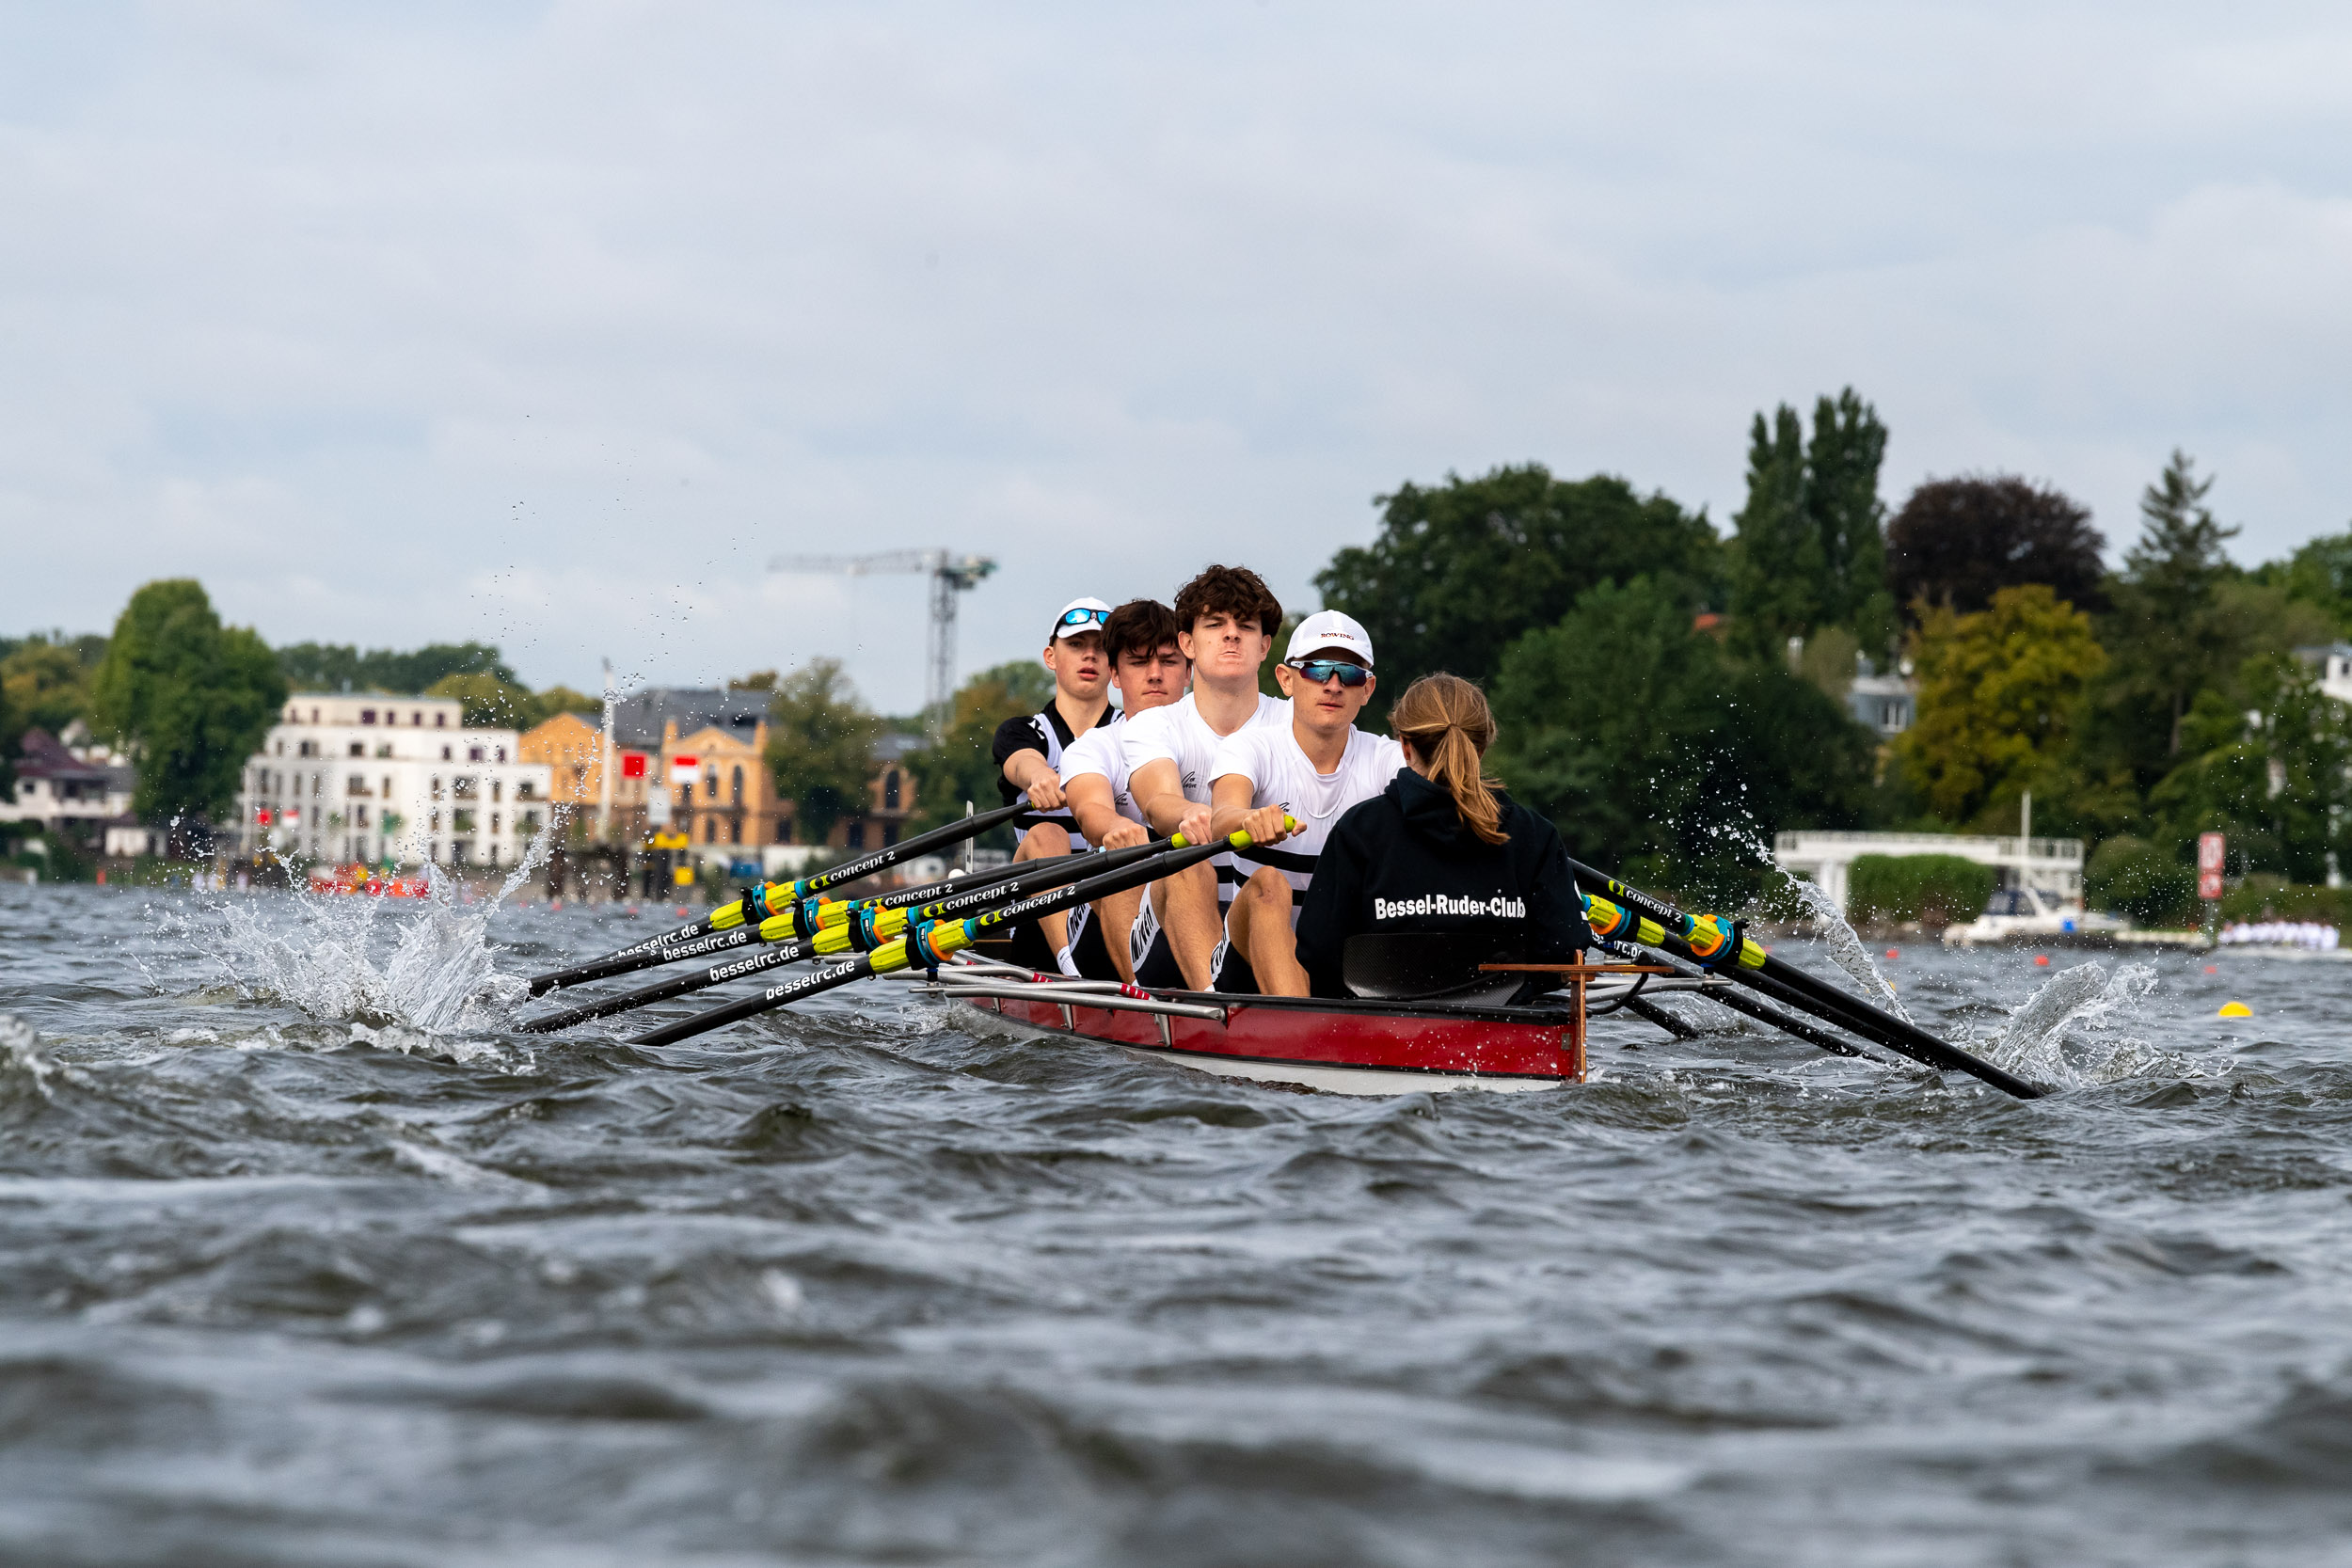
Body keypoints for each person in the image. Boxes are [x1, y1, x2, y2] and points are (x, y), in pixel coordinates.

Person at [1294, 673, 1588, 999]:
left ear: (1404, 747)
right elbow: (1566, 950)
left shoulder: (1359, 830)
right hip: (1505, 1033)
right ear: (1482, 746)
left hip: (1380, 1033)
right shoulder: (1535, 834)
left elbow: (1316, 952)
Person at [1205, 610, 1403, 994]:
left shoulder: (1387, 758)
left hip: (1342, 956)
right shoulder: (1250, 746)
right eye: (1317, 670)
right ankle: (1297, 1028)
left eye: (1349, 673)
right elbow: (1221, 816)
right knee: (1268, 884)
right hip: (1244, 957)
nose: (1333, 685)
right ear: (1287, 680)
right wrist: (1249, 820)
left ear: (1368, 689)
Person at [1122, 564, 1289, 990]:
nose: (1231, 634)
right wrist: (1204, 816)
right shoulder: (1153, 725)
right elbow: (1159, 804)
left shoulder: (1293, 724)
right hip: (1168, 929)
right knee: (1187, 867)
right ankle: (1213, 1006)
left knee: (1270, 883)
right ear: (1188, 643)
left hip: (1264, 914)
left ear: (1265, 645)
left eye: (1245, 626)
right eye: (1215, 624)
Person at [1057, 598, 1191, 983]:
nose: (1154, 675)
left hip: (1185, 903)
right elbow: (1089, 810)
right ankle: (1141, 999)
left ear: (1187, 672)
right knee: (1120, 864)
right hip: (1105, 916)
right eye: (1138, 663)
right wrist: (1115, 826)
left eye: (1168, 662)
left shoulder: (1218, 742)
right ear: (1115, 674)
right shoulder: (1093, 747)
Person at [993, 595, 1116, 975]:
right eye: (1077, 645)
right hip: (1036, 917)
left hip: (1112, 900)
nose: (1090, 657)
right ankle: (1071, 964)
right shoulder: (1025, 731)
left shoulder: (1136, 734)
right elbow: (1021, 761)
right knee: (1047, 832)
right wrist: (1039, 776)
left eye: (1101, 648)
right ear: (1051, 657)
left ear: (1115, 663)